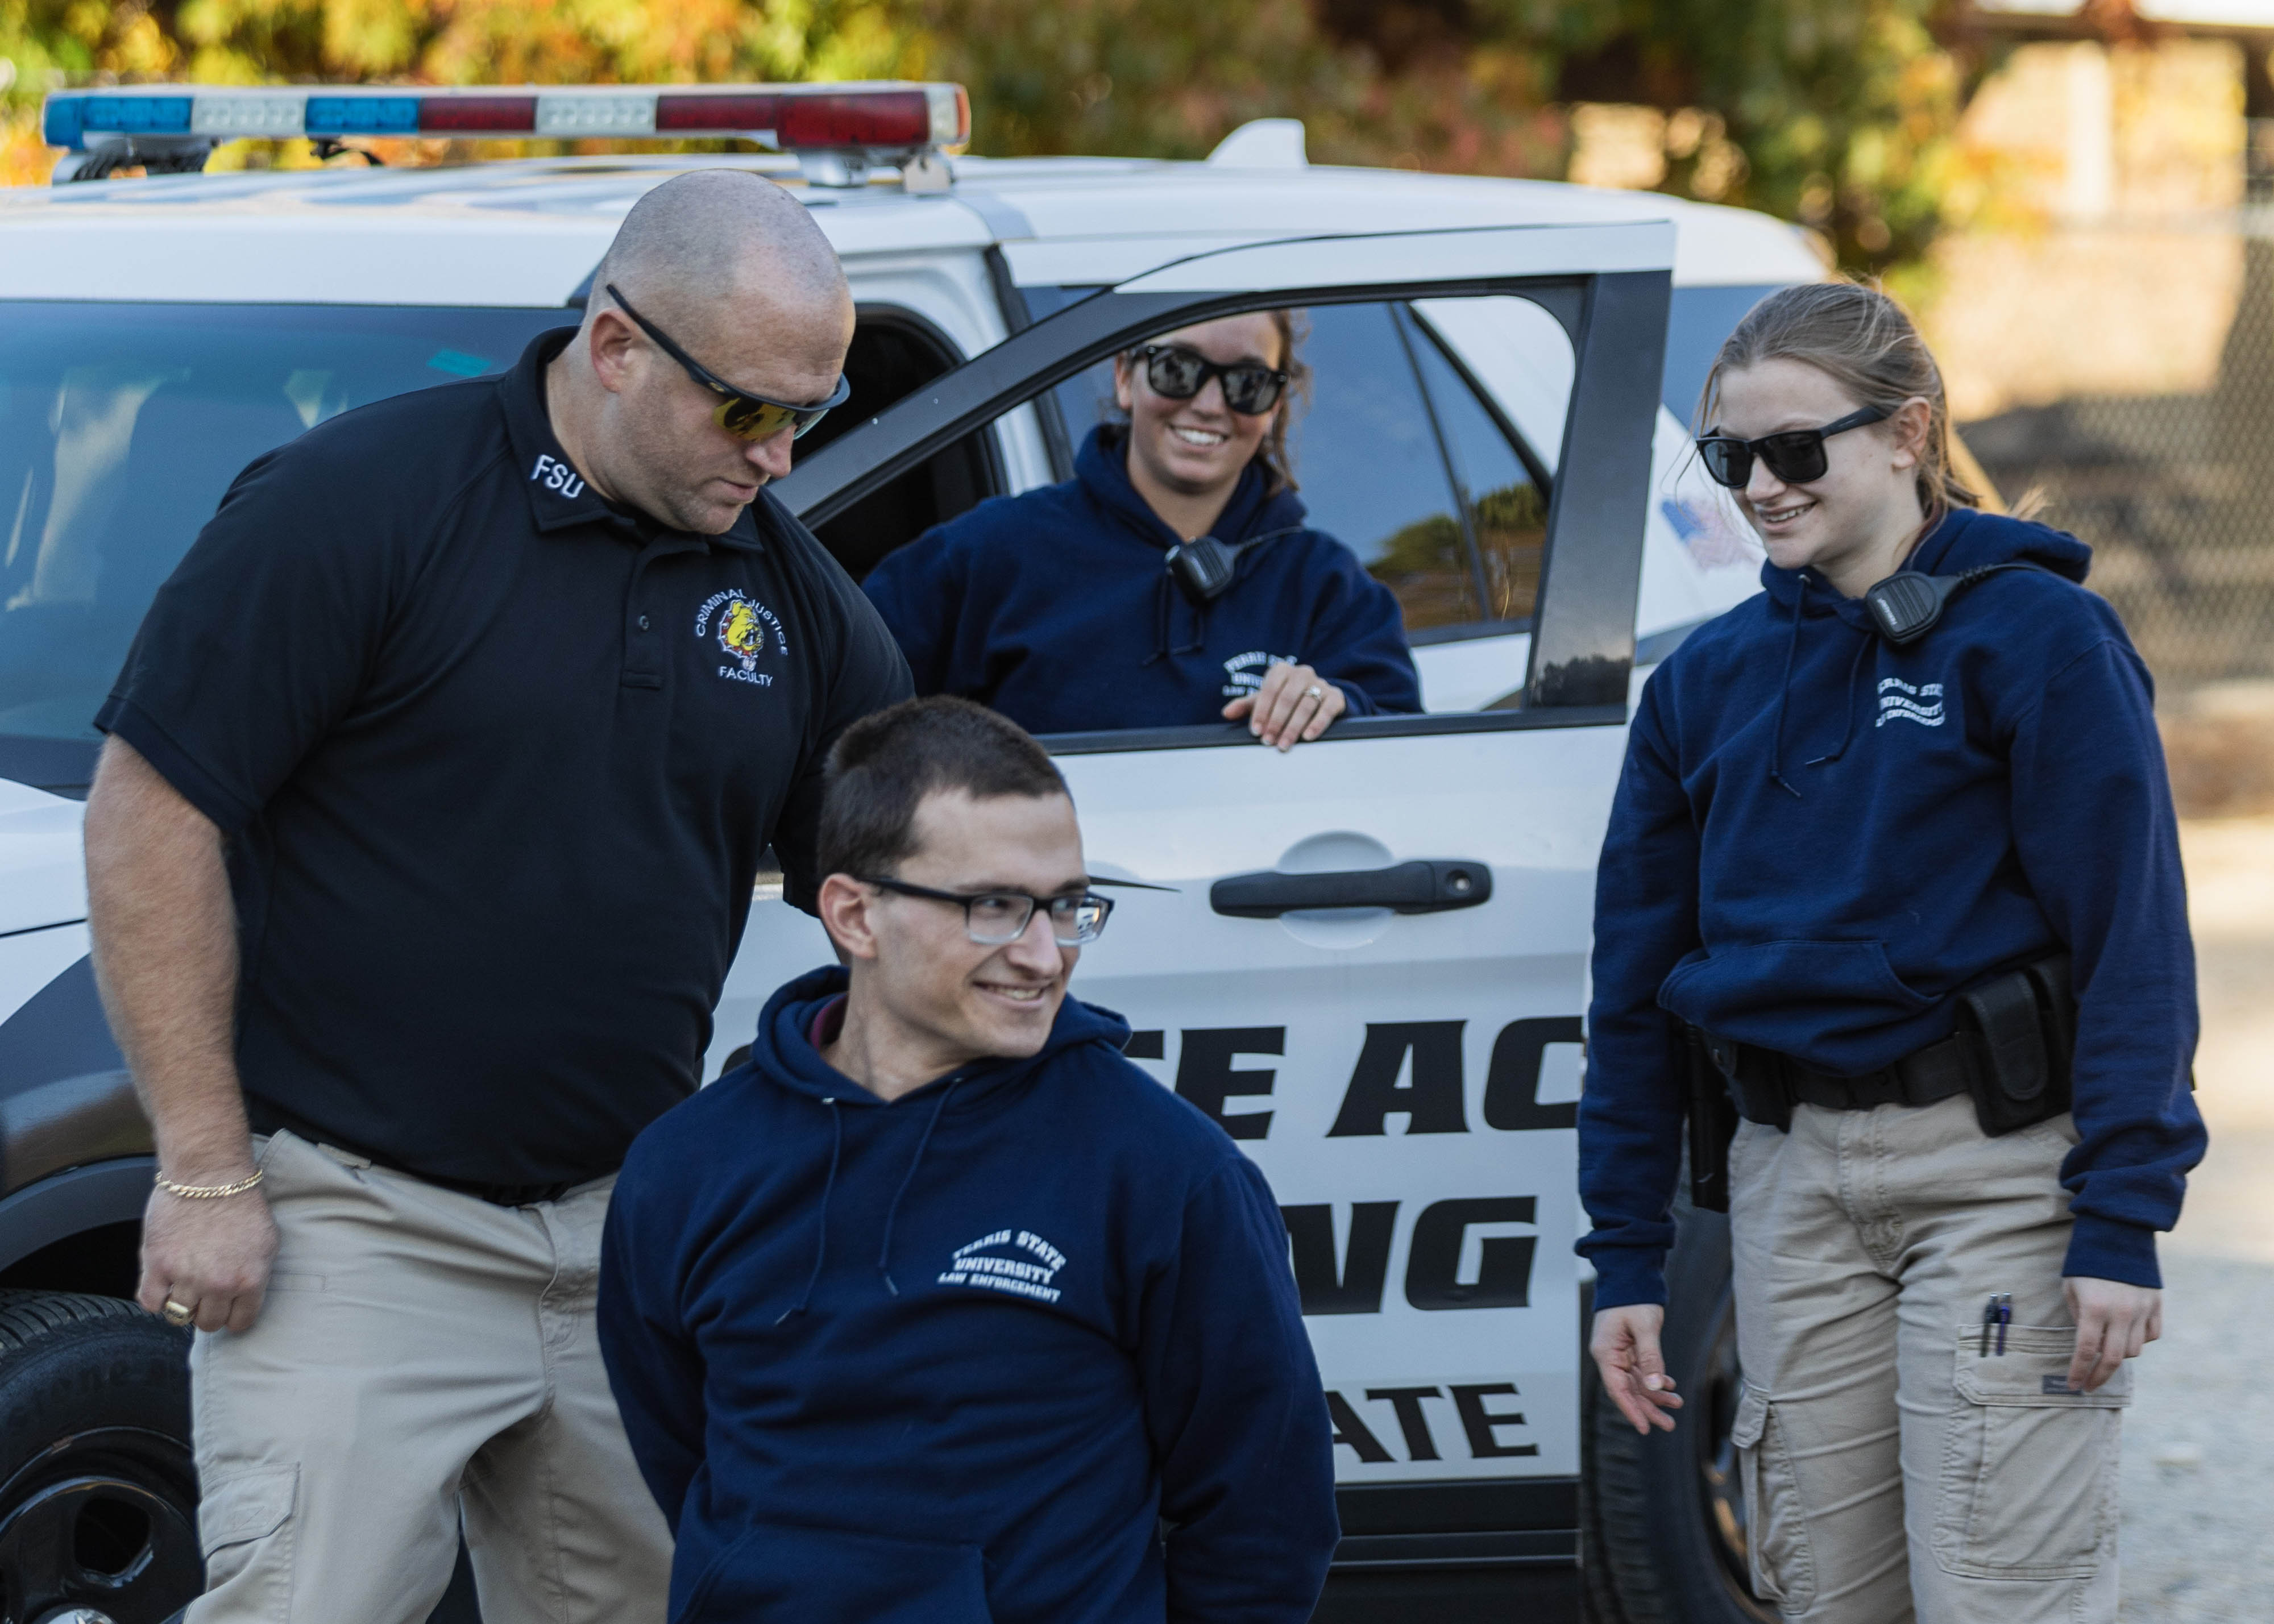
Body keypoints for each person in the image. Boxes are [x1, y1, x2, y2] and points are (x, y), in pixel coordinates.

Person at [81, 169, 912, 1623]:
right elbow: (154, 811)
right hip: (354, 1225)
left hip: (633, 1239)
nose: (779, 458)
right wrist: (203, 1169)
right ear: (614, 347)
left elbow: (897, 888)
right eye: (747, 411)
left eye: (811, 416)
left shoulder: (790, 597)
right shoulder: (362, 503)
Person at [1577, 282, 2205, 1623]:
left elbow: (2134, 940)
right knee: (1821, 1595)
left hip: (1995, 1175)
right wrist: (1624, 1257)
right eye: (1730, 457)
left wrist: (2122, 1215)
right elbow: (1629, 994)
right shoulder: (1701, 685)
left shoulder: (2038, 638)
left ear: (1907, 433)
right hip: (1788, 1182)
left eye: (1796, 450)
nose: (1760, 486)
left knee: (1995, 1595)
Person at [597, 695, 1340, 1624]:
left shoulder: (1165, 1170)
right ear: (854, 914)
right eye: (994, 907)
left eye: (1068, 906)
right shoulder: (687, 1166)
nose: (1043, 955)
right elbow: (679, 1447)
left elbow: (1264, 1512)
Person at [861, 311, 1421, 747]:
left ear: (1276, 404)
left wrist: (1339, 708)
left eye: (1247, 382)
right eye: (1177, 369)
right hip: (1033, 892)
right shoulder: (990, 551)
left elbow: (1408, 752)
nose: (1208, 405)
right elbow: (849, 703)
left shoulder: (1327, 584)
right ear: (1126, 377)